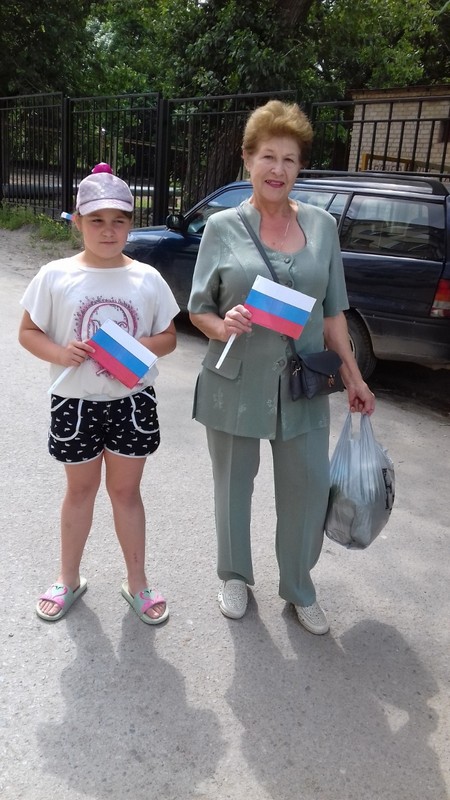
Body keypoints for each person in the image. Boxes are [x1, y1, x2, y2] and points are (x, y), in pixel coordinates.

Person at [188, 100, 375, 634]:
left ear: (299, 168)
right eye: (268, 156)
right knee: (232, 486)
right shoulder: (222, 227)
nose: (278, 169)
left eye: (289, 159)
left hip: (304, 382)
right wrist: (222, 325)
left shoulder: (322, 227)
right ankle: (233, 576)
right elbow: (198, 308)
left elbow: (333, 316)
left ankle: (298, 587)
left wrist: (355, 379)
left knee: (308, 487)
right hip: (234, 380)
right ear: (248, 159)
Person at [19, 163, 180, 625]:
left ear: (131, 224)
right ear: (77, 222)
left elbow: (169, 338)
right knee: (80, 491)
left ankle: (138, 583)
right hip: (75, 403)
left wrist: (136, 347)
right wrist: (59, 351)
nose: (108, 230)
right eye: (96, 220)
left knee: (126, 493)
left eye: (119, 220)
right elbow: (27, 332)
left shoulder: (147, 278)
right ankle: (68, 578)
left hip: (132, 403)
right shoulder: (55, 275)